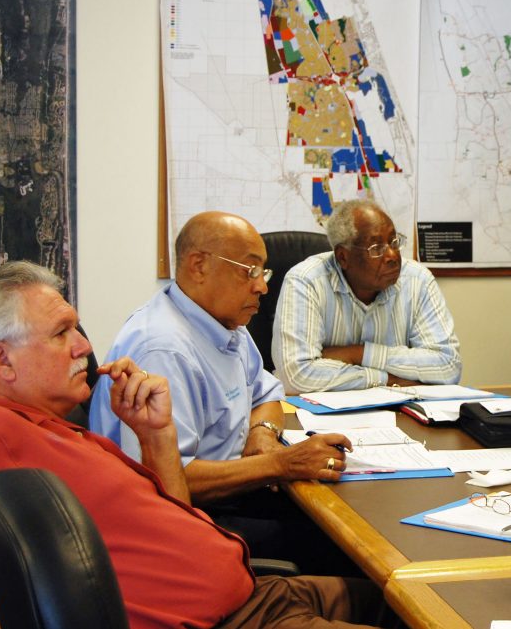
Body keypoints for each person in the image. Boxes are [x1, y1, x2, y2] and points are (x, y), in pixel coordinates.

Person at [0, 261, 389, 629]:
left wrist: (157, 435)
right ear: (1, 360)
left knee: (409, 604)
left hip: (256, 596)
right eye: (62, 333)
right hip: (233, 620)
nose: (83, 346)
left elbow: (179, 516)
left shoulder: (58, 429)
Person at [90, 212, 354, 571]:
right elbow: (167, 479)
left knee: (339, 512)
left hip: (235, 489)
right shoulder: (163, 348)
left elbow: (267, 395)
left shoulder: (223, 321)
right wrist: (278, 464)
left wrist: (263, 435)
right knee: (337, 543)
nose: (262, 286)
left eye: (264, 273)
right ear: (198, 266)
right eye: (250, 271)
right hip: (182, 519)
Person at [272, 199, 462, 392]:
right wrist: (385, 379)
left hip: (396, 412)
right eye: (377, 248)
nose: (392, 256)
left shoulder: (417, 280)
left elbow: (448, 366)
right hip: (320, 417)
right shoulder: (306, 281)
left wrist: (361, 353)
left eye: (394, 242)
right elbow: (296, 375)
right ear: (343, 257)